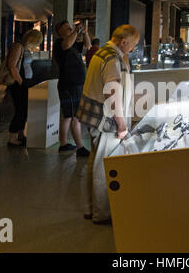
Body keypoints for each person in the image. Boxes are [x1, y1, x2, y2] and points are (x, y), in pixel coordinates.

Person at [77, 25, 139, 224]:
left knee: (94, 163)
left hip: (93, 117)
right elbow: (112, 93)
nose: (133, 49)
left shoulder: (101, 53)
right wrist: (121, 124)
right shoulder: (113, 58)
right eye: (132, 44)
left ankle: (90, 208)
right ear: (123, 41)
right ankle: (102, 213)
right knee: (104, 167)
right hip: (106, 121)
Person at [54, 20, 90, 157]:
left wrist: (85, 32)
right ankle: (78, 147)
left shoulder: (74, 44)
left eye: (71, 28)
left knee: (71, 116)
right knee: (72, 117)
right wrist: (76, 31)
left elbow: (88, 45)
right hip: (69, 85)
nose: (70, 29)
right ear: (60, 32)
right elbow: (66, 44)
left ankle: (64, 144)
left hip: (76, 84)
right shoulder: (60, 44)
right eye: (67, 28)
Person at [6, 29, 43, 147]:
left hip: (24, 83)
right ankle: (12, 138)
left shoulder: (24, 48)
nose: (37, 45)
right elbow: (12, 66)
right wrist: (22, 83)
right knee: (20, 110)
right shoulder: (18, 47)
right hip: (19, 84)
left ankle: (21, 134)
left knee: (25, 110)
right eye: (37, 42)